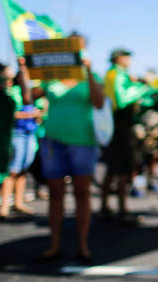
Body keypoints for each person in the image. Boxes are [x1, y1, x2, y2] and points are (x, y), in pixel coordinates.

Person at [34, 44, 105, 262]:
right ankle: (54, 244)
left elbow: (99, 102)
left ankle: (83, 246)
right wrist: (27, 71)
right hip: (53, 141)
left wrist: (89, 71)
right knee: (55, 194)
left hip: (83, 142)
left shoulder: (90, 76)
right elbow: (30, 98)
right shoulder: (52, 77)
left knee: (81, 192)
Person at [100, 48, 150, 224]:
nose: (129, 60)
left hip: (112, 125)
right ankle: (122, 211)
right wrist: (142, 88)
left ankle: (105, 208)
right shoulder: (117, 74)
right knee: (123, 169)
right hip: (120, 125)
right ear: (119, 58)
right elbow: (121, 100)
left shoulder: (110, 74)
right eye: (127, 56)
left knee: (112, 168)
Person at [0, 59, 42, 219]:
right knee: (13, 170)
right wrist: (32, 114)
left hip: (30, 134)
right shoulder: (12, 92)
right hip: (17, 133)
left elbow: (40, 113)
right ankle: (4, 205)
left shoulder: (32, 93)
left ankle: (19, 202)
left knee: (23, 170)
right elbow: (10, 114)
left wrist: (38, 115)